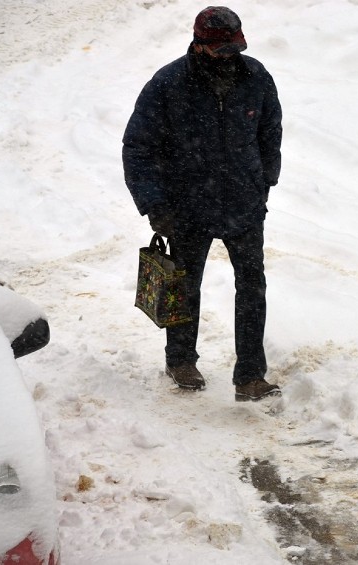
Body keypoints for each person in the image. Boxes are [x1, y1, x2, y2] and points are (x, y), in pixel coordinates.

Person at [123, 6, 283, 401]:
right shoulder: (168, 83)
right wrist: (155, 204)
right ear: (200, 43)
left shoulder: (256, 77)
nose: (229, 55)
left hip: (244, 203)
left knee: (252, 288)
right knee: (183, 285)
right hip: (188, 206)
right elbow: (138, 147)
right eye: (221, 48)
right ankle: (180, 359)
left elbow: (270, 131)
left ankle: (249, 376)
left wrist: (265, 181)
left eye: (235, 47)